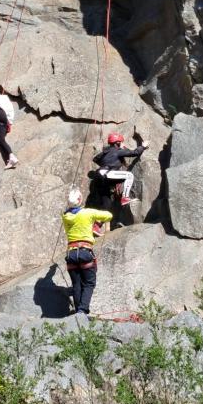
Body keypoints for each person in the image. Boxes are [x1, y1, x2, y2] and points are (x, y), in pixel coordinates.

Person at [62, 188, 112, 316]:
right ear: (80, 200)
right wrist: (95, 222)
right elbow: (108, 215)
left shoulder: (65, 216)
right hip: (85, 251)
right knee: (89, 283)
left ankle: (79, 311)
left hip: (71, 253)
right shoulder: (88, 213)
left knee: (77, 284)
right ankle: (82, 310)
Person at [93, 132, 149, 210]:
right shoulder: (118, 151)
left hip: (99, 177)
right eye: (121, 142)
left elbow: (95, 159)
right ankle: (125, 198)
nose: (122, 143)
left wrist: (105, 164)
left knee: (107, 203)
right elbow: (134, 153)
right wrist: (143, 146)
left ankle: (99, 220)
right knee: (129, 175)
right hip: (108, 174)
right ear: (117, 143)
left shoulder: (105, 152)